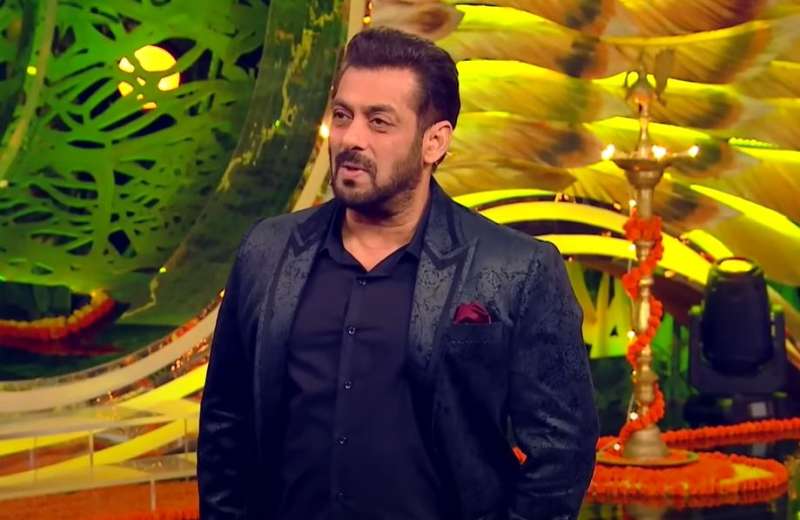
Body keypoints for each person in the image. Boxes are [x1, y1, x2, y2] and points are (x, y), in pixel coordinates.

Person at [198, 27, 599, 520]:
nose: (351, 139)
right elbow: (226, 425)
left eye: (379, 122)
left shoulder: (515, 268)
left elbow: (562, 451)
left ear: (434, 142)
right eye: (342, 115)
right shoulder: (267, 251)